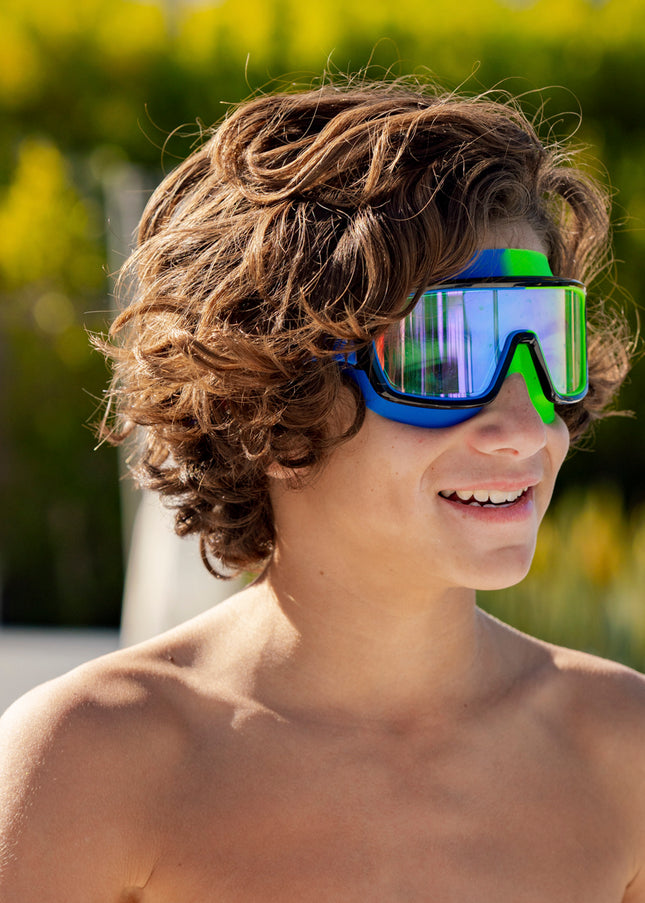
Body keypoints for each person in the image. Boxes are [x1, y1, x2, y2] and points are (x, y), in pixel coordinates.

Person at [1, 76, 644, 902]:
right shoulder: (92, 763)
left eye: (544, 342)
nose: (526, 425)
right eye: (442, 356)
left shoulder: (621, 753)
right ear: (270, 400)